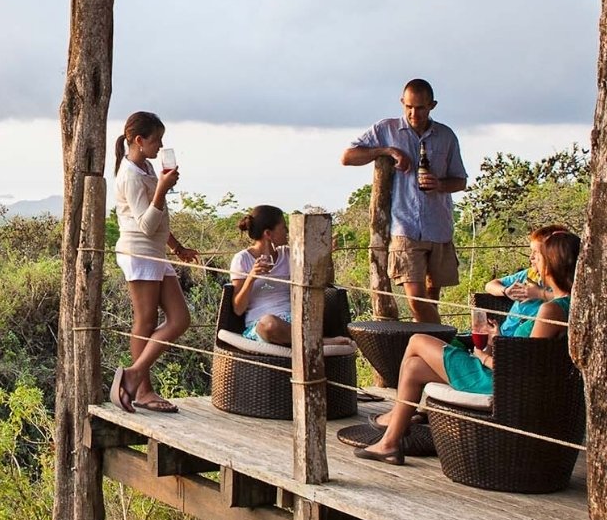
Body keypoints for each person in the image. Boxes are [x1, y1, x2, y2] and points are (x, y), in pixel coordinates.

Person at [352, 226, 580, 465]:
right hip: (499, 372)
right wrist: (496, 339)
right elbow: (526, 353)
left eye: (539, 257)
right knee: (413, 366)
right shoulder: (570, 304)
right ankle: (390, 442)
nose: (533, 262)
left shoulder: (551, 309)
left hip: (498, 382)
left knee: (417, 340)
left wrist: (482, 356)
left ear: (553, 263)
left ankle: (398, 421)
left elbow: (523, 368)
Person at [341, 79, 467, 322]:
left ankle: (428, 350)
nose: (413, 113)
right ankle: (448, 346)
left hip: (438, 226)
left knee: (431, 299)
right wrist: (386, 151)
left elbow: (460, 181)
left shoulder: (446, 135)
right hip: (404, 227)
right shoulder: (386, 129)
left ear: (432, 105)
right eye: (408, 106)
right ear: (402, 103)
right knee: (417, 301)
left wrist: (440, 184)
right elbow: (347, 157)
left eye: (420, 107)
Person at [109, 111, 198, 414]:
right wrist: (161, 189)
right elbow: (146, 225)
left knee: (180, 319)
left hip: (155, 252)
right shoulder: (129, 175)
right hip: (139, 251)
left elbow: (158, 223)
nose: (160, 146)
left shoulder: (144, 166)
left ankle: (133, 375)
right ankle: (142, 390)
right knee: (145, 321)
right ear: (139, 140)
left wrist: (177, 247)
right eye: (156, 140)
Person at [230, 204, 351, 346]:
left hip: (293, 322)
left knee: (315, 313)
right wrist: (251, 278)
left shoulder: (288, 254)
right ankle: (321, 343)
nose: (287, 231)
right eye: (283, 227)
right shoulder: (242, 259)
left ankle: (304, 340)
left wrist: (326, 255)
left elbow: (326, 281)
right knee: (269, 324)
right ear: (268, 234)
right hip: (261, 325)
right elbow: (238, 309)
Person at [485, 226, 554, 336]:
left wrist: (539, 293)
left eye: (536, 252)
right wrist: (506, 291)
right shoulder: (528, 274)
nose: (531, 257)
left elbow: (568, 301)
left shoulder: (558, 282)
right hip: (501, 334)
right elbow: (490, 285)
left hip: (514, 343)